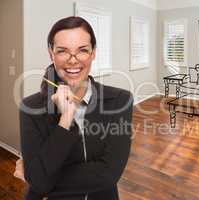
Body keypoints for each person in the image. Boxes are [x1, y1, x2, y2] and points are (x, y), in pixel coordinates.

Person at [13, 16, 133, 200]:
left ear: (93, 53)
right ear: (51, 54)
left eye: (82, 50)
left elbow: (109, 174)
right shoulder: (30, 108)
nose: (73, 60)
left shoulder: (120, 101)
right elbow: (38, 180)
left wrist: (37, 176)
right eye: (62, 51)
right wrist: (66, 119)